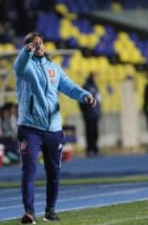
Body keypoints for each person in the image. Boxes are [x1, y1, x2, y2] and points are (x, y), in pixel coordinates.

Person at [14, 31, 96, 224]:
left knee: (54, 171)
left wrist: (85, 95)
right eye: (34, 44)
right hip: (30, 128)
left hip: (53, 129)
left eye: (40, 42)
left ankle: (50, 210)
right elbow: (19, 64)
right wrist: (27, 51)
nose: (39, 45)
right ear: (28, 47)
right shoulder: (25, 68)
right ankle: (29, 212)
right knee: (29, 169)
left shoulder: (54, 68)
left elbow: (69, 87)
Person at [79, 72, 102, 157]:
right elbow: (81, 100)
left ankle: (95, 148)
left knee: (95, 132)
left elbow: (98, 100)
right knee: (89, 131)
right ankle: (90, 149)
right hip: (89, 113)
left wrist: (99, 110)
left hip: (95, 113)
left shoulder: (95, 86)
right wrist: (84, 110)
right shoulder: (86, 86)